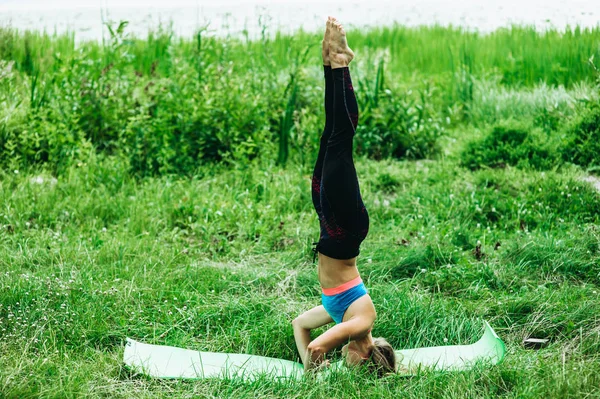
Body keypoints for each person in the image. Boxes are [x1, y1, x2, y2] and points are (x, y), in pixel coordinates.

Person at [292, 17, 396, 377]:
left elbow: (301, 326)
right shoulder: (359, 323)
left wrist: (309, 366)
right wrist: (312, 382)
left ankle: (329, 61)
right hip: (344, 229)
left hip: (331, 228)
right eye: (353, 367)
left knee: (329, 138)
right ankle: (340, 63)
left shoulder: (341, 313)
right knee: (341, 139)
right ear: (366, 358)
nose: (345, 365)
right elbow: (320, 345)